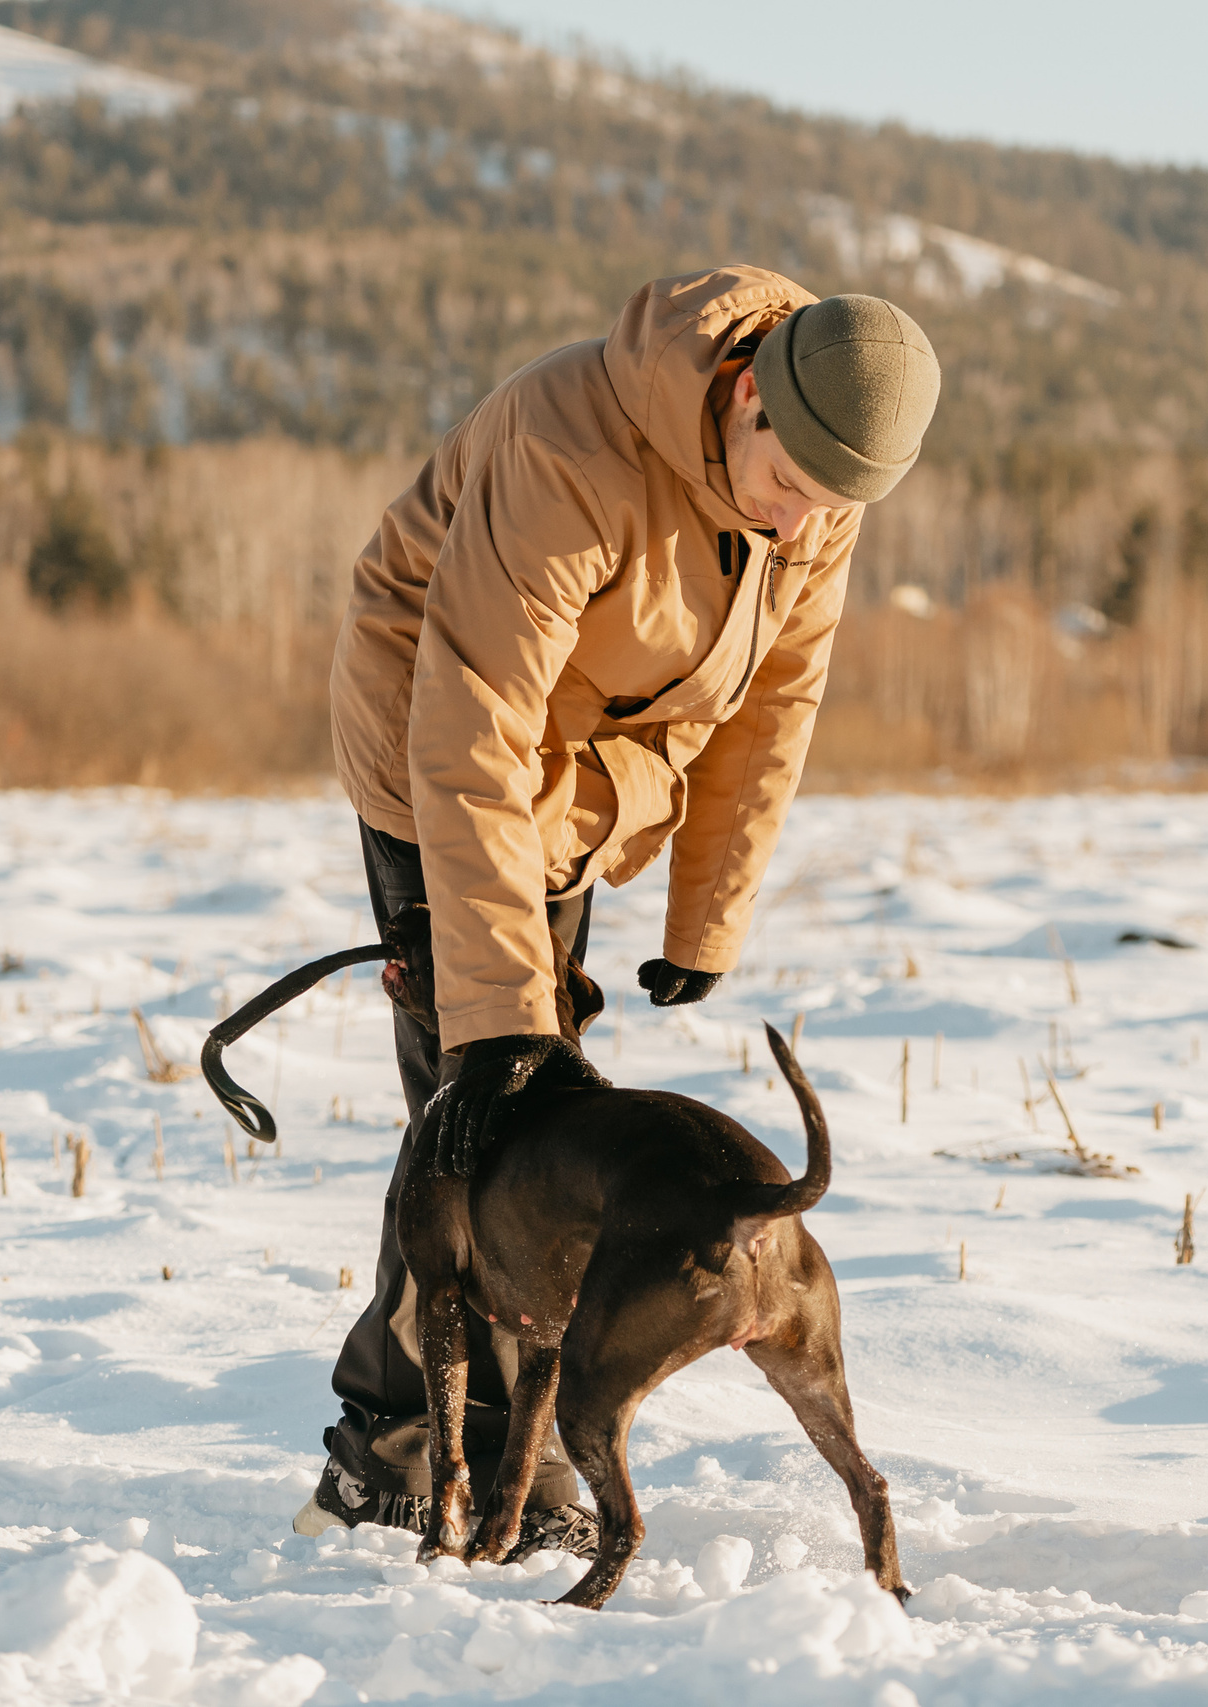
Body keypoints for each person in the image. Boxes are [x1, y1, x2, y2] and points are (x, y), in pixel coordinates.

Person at [299, 265, 940, 1551]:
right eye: (789, 490)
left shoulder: (821, 471)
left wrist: (707, 914)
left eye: (832, 509)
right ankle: (397, 1456)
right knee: (471, 1123)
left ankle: (498, 1453)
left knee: (541, 1121)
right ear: (745, 394)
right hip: (442, 758)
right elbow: (473, 724)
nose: (802, 527)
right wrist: (489, 1016)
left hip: (583, 784)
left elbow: (775, 700)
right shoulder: (568, 445)